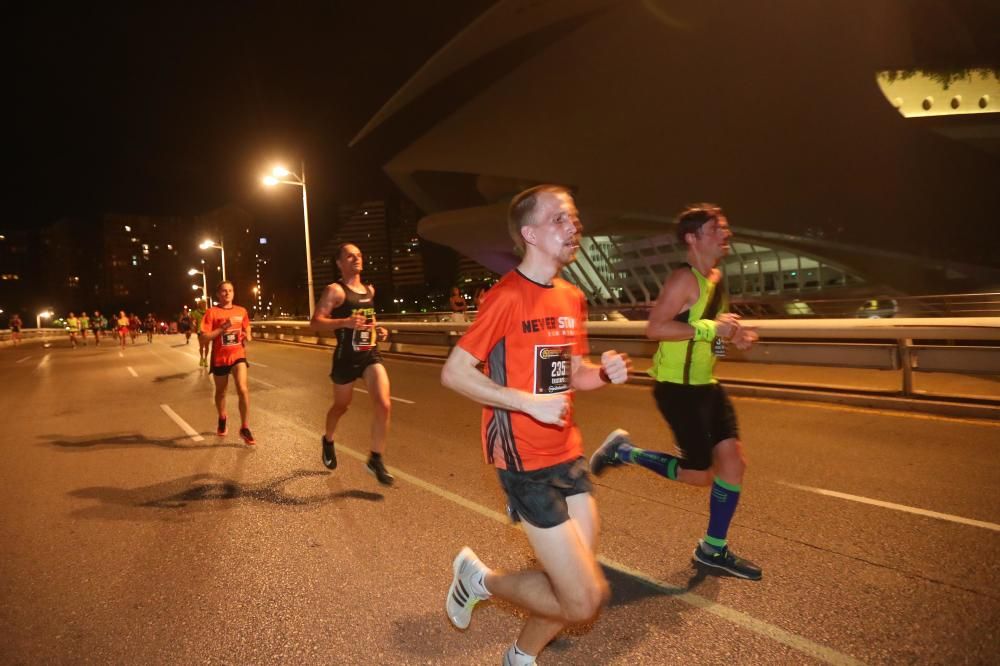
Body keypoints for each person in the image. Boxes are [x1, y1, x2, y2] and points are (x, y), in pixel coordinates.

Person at [440, 185, 630, 665]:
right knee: (584, 600)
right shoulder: (505, 297)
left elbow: (574, 373)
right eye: (560, 220)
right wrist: (525, 402)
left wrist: (603, 373)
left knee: (574, 586)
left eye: (574, 218)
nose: (574, 227)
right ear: (530, 234)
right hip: (523, 462)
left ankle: (520, 656)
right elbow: (455, 372)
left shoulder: (570, 298)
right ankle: (479, 580)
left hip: (568, 453)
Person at [589, 203, 762, 580]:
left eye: (725, 228)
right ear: (693, 237)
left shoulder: (715, 278)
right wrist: (710, 329)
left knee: (734, 463)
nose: (725, 234)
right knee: (698, 475)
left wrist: (731, 338)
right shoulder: (683, 280)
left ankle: (712, 550)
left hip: (706, 387)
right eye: (717, 228)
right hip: (678, 390)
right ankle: (624, 452)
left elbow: (708, 337)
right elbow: (655, 329)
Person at [310, 243, 394, 485]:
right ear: (339, 262)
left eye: (359, 255)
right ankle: (328, 439)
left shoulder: (369, 290)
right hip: (346, 358)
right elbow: (315, 323)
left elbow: (370, 318)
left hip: (369, 354)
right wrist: (345, 322)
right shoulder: (334, 291)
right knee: (341, 406)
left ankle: (375, 459)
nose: (357, 259)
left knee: (384, 403)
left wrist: (379, 329)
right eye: (350, 256)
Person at [201, 281, 255, 445]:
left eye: (230, 290)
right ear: (218, 294)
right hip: (220, 358)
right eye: (224, 291)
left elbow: (247, 327)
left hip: (238, 354)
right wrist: (222, 328)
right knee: (221, 392)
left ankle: (244, 427)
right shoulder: (212, 313)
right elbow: (204, 337)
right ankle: (222, 416)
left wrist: (248, 335)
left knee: (243, 389)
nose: (227, 293)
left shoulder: (241, 311)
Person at [190, 300, 208, 367]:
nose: (204, 305)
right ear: (199, 305)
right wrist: (193, 323)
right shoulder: (196, 312)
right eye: (202, 304)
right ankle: (201, 358)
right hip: (200, 331)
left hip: (207, 331)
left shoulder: (208, 312)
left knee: (206, 346)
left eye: (204, 304)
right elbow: (193, 320)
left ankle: (205, 359)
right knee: (201, 346)